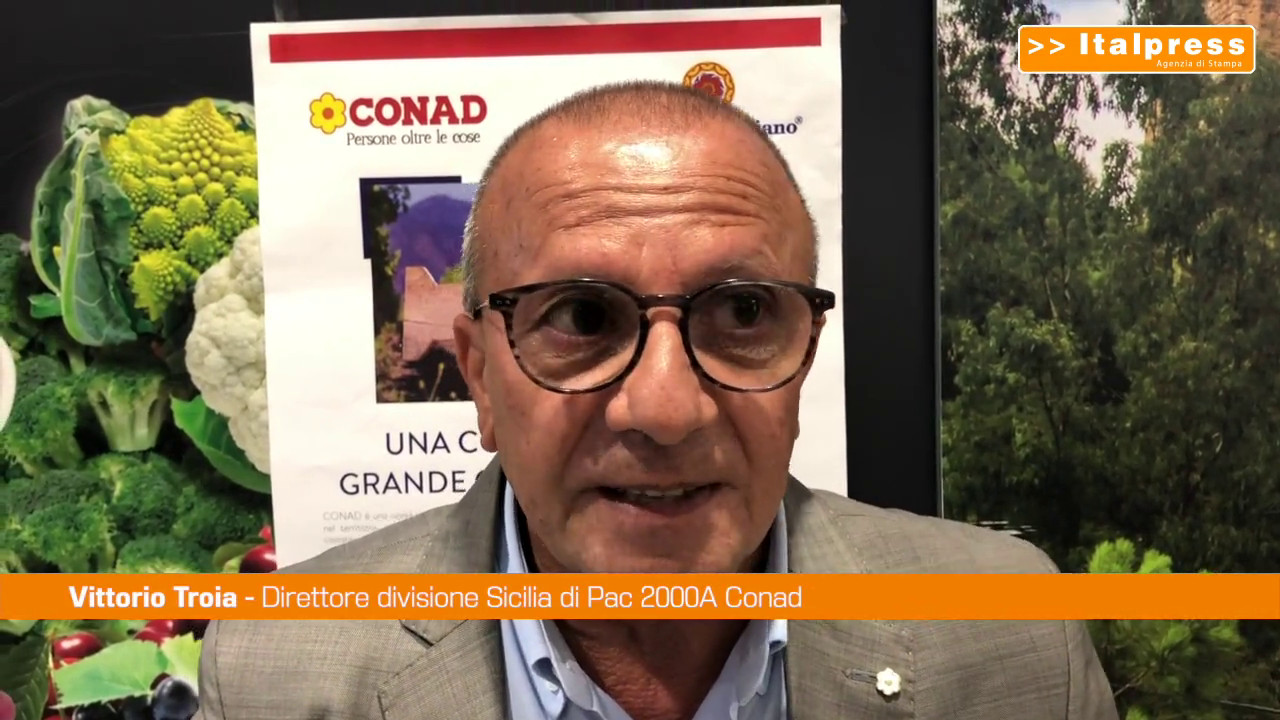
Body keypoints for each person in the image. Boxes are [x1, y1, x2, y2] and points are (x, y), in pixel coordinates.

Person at [195, 80, 1119, 720]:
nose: (667, 409)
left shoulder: (1011, 638)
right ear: (478, 373)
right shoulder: (279, 670)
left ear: (805, 354)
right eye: (582, 317)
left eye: (743, 312)